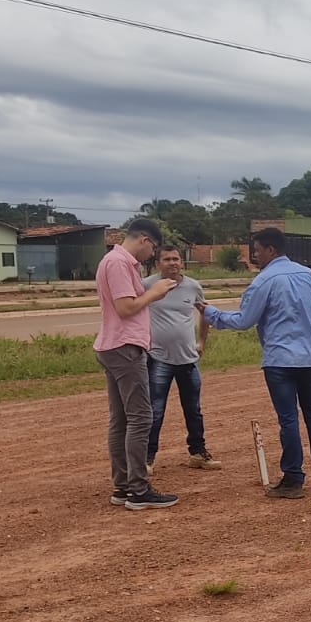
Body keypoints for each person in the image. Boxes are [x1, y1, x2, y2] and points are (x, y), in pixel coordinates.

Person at [199, 228, 311, 498]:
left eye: (258, 250)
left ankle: (293, 480)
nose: (255, 256)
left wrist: (211, 313)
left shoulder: (263, 281)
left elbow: (243, 321)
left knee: (288, 420)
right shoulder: (308, 274)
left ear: (271, 250)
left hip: (280, 359)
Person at [96, 218, 180, 510]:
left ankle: (123, 486)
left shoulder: (116, 261)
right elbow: (125, 307)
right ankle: (138, 489)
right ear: (144, 239)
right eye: (154, 248)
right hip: (124, 347)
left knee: (121, 420)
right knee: (141, 417)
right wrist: (154, 293)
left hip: (114, 346)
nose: (152, 256)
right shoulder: (119, 263)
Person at [143, 245, 221, 474]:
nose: (172, 263)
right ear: (158, 263)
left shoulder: (192, 286)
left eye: (176, 259)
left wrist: (202, 342)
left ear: (182, 262)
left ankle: (198, 453)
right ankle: (147, 458)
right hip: (158, 358)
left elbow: (204, 312)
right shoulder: (147, 285)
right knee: (155, 410)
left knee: (193, 409)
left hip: (188, 359)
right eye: (166, 259)